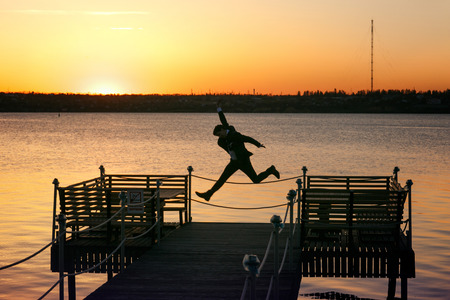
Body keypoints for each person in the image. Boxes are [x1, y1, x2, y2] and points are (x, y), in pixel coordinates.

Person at [195, 101, 280, 201]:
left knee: (256, 180)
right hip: (234, 162)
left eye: (219, 134)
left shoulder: (234, 135)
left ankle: (271, 170)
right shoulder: (222, 140)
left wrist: (258, 144)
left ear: (222, 130)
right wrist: (219, 109)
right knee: (222, 179)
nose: (219, 137)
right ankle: (208, 194)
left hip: (243, 161)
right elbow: (223, 121)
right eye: (218, 136)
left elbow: (247, 138)